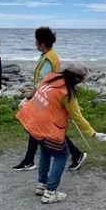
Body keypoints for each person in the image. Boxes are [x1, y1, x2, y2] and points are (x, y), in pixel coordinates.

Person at [16, 63, 106, 203]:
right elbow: (77, 117)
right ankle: (50, 192)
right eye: (81, 79)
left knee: (45, 151)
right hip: (47, 126)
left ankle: (41, 185)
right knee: (62, 154)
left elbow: (38, 94)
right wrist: (94, 134)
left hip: (32, 119)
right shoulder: (67, 92)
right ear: (76, 78)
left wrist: (27, 100)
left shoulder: (50, 77)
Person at [12, 27, 88, 171]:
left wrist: (30, 96)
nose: (35, 43)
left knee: (40, 127)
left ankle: (74, 154)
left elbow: (42, 82)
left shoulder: (48, 58)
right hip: (48, 96)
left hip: (45, 97)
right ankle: (30, 160)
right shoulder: (49, 55)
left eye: (37, 40)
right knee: (40, 127)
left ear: (42, 43)